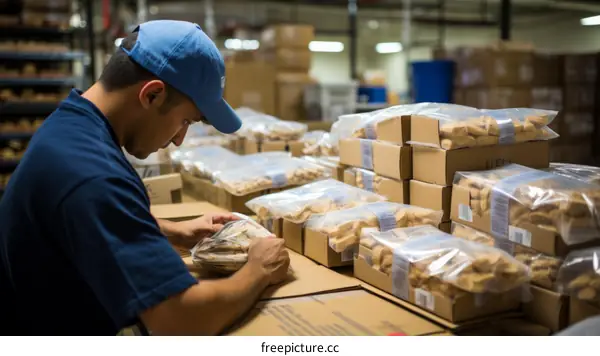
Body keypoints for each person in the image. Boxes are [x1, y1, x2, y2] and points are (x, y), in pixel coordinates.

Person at [0, 20, 290, 336]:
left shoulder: (74, 125)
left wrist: (170, 231)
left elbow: (80, 221)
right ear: (152, 95)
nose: (179, 139)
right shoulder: (94, 175)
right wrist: (257, 272)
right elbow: (178, 321)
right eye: (185, 121)